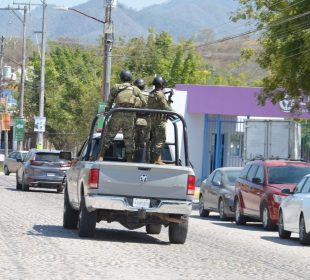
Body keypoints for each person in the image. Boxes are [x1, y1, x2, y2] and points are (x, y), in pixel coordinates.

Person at [101, 70, 146, 162]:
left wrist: (107, 111)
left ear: (121, 78)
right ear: (130, 78)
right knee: (129, 139)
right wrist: (136, 104)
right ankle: (129, 161)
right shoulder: (135, 89)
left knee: (109, 136)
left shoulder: (116, 87)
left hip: (117, 114)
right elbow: (144, 102)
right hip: (129, 115)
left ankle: (100, 156)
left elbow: (109, 101)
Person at [148, 75, 172, 164]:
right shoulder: (160, 94)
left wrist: (169, 99)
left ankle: (153, 160)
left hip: (152, 121)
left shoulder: (151, 93)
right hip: (159, 121)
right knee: (160, 140)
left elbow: (159, 105)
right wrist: (175, 112)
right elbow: (165, 107)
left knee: (154, 141)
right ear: (162, 84)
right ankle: (157, 160)